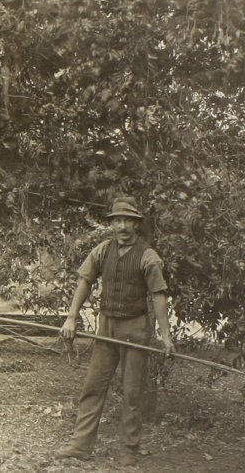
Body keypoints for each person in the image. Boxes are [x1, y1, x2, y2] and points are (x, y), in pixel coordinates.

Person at [56, 197, 175, 467]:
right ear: (112, 224)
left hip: (135, 327)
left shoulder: (148, 257)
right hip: (107, 326)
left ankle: (128, 449)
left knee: (132, 391)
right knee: (93, 386)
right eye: (117, 220)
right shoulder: (102, 250)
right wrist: (72, 318)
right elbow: (84, 280)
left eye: (127, 220)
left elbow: (159, 297)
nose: (122, 226)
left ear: (135, 223)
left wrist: (164, 335)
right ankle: (80, 445)